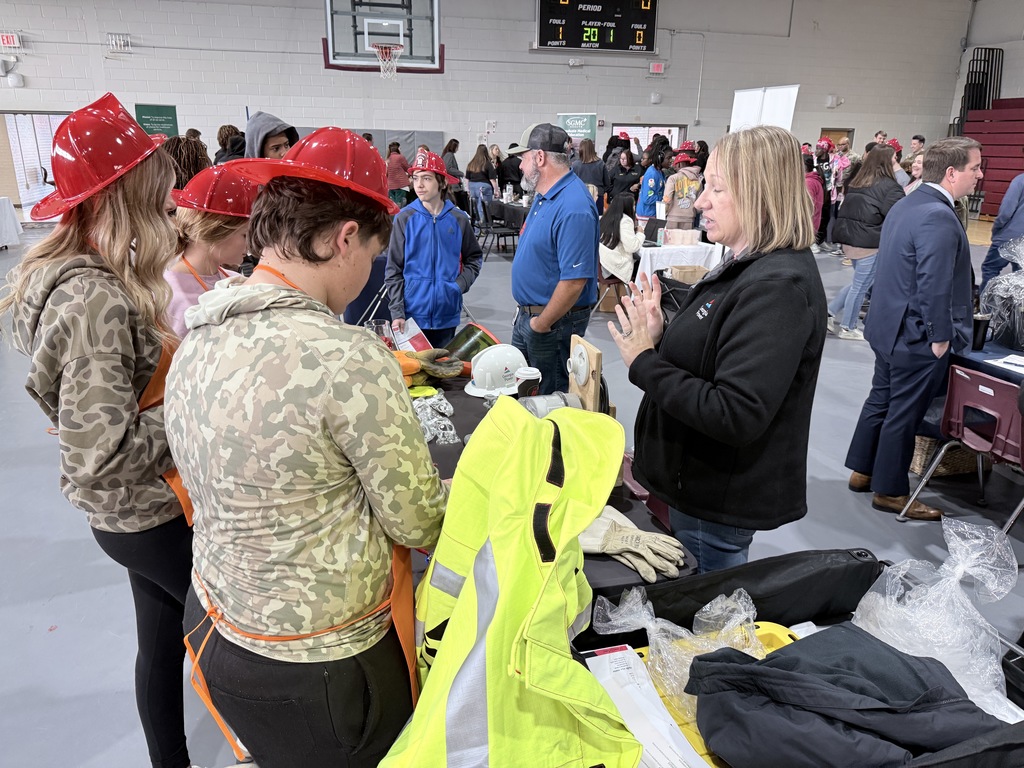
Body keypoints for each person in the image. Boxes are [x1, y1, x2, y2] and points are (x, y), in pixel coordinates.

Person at [166, 127, 448, 767]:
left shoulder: (198, 335)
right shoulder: (347, 360)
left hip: (218, 629)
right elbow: (418, 520)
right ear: (346, 237)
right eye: (374, 253)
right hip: (327, 667)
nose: (371, 270)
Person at [0, 93, 194, 768]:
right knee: (232, 641)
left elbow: (89, 420)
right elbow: (99, 455)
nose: (168, 204)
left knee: (162, 638)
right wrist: (194, 413)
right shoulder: (93, 300)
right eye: (157, 188)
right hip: (142, 514)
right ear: (125, 193)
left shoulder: (79, 278)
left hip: (133, 514)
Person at [607, 125, 826, 573]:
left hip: (714, 500)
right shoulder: (747, 266)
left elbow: (735, 411)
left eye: (716, 188)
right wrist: (662, 333)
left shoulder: (777, 287)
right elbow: (715, 354)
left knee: (706, 612)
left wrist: (644, 362)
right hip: (694, 486)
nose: (701, 200)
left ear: (760, 195)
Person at [845, 137, 983, 521]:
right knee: (903, 411)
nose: (980, 174)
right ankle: (889, 490)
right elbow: (933, 281)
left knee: (882, 400)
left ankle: (864, 470)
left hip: (889, 326)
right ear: (953, 172)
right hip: (916, 334)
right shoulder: (938, 214)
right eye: (975, 168)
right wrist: (941, 337)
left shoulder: (909, 202)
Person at [508, 122, 599, 394]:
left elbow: (574, 281)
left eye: (523, 159)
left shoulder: (574, 206)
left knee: (549, 400)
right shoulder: (544, 194)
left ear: (539, 157)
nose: (520, 167)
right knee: (523, 394)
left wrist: (541, 323)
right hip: (531, 317)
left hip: (552, 324)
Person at [386, 150, 483, 348]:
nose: (419, 185)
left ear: (442, 182)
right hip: (412, 316)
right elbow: (393, 268)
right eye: (415, 178)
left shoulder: (459, 219)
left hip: (447, 315)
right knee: (414, 372)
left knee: (443, 373)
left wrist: (459, 285)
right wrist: (397, 311)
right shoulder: (404, 219)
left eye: (427, 178)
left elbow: (474, 257)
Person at [164, 165, 260, 337]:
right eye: (244, 235)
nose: (250, 245)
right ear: (215, 231)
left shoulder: (235, 280)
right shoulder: (169, 295)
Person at [829, 146, 906, 340]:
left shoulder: (857, 182)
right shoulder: (891, 187)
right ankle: (848, 326)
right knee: (861, 286)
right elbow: (897, 217)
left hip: (850, 240)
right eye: (894, 158)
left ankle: (830, 311)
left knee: (859, 282)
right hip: (870, 243)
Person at [979, 150, 1024, 291]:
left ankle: (987, 309)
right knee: (1020, 276)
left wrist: (997, 229)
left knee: (990, 269)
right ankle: (1015, 311)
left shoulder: (1020, 180)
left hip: (1010, 237)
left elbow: (1006, 211)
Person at [599, 192, 643, 284]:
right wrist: (640, 233)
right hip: (616, 268)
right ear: (627, 206)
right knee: (648, 266)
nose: (634, 208)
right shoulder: (625, 220)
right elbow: (631, 247)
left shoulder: (606, 218)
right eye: (634, 205)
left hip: (605, 265)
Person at [662, 145, 702, 230]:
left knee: (671, 242)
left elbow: (667, 198)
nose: (674, 167)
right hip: (689, 218)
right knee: (686, 242)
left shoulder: (673, 178)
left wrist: (664, 211)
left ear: (679, 164)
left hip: (673, 217)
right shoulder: (698, 180)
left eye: (675, 165)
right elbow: (699, 203)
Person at [571, 138, 611, 213]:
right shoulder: (601, 164)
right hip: (597, 197)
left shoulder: (575, 165)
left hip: (581, 197)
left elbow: (571, 184)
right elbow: (607, 184)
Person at [465, 143, 499, 222]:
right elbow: (492, 179)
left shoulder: (471, 164)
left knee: (474, 208)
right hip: (484, 187)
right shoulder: (487, 164)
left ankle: (476, 227)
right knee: (482, 208)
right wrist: (496, 191)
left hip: (472, 186)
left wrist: (468, 190)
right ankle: (482, 228)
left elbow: (467, 178)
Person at [637, 147, 670, 219]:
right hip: (647, 215)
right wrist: (664, 199)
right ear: (660, 158)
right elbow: (648, 198)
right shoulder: (652, 174)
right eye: (668, 158)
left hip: (654, 213)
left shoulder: (660, 172)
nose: (671, 161)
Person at [386, 141, 411, 207]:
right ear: (398, 149)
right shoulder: (400, 157)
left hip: (390, 186)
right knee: (401, 207)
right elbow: (407, 169)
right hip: (400, 185)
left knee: (393, 207)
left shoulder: (387, 160)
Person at [804, 153, 824, 234]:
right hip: (811, 225)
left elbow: (806, 208)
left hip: (807, 227)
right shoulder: (813, 180)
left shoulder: (809, 182)